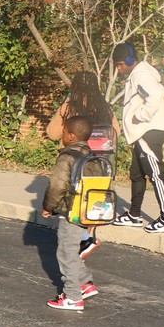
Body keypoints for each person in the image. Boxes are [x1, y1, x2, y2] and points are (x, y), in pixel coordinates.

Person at [45, 71, 121, 259]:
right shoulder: (105, 108)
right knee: (93, 198)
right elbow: (116, 133)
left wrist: (66, 102)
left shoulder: (69, 107)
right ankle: (87, 237)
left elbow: (52, 133)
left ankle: (81, 242)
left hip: (75, 162)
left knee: (74, 199)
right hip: (101, 164)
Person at [111, 42, 164, 233]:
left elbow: (155, 95)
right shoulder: (138, 74)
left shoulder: (141, 75)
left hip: (149, 132)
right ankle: (134, 215)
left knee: (156, 174)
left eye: (120, 64)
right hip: (142, 133)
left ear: (130, 60)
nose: (118, 68)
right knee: (137, 174)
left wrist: (140, 116)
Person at [42, 116, 101, 311]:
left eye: (65, 132)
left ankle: (73, 296)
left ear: (72, 136)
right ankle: (85, 283)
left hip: (71, 212)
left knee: (66, 252)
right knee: (72, 249)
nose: (62, 136)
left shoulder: (67, 157)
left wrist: (49, 207)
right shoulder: (93, 157)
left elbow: (57, 186)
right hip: (88, 212)